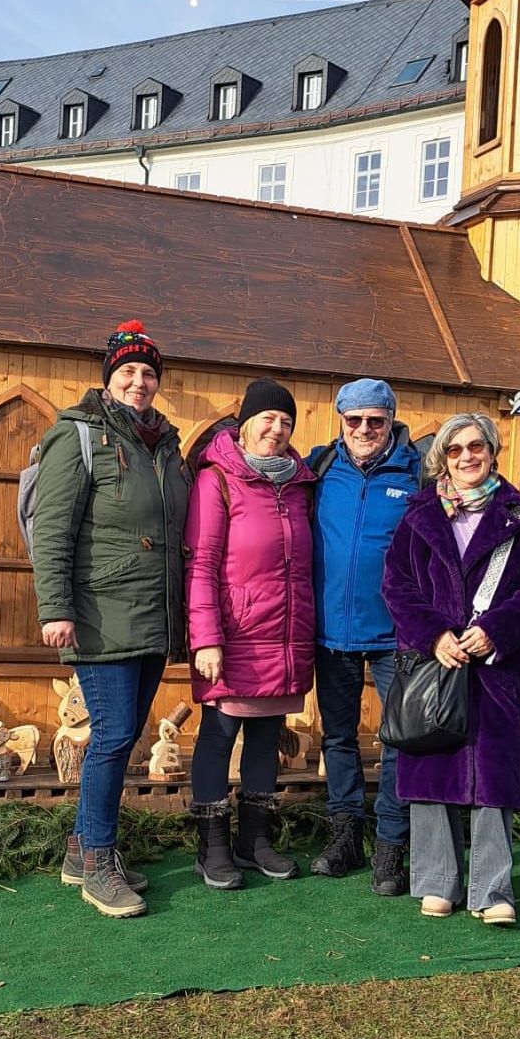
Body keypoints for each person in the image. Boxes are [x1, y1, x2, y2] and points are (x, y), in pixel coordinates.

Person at [32, 320, 190, 920]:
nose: (139, 381)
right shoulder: (76, 436)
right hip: (99, 616)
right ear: (109, 377)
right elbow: (52, 530)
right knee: (115, 736)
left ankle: (79, 851)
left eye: (149, 373)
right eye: (128, 371)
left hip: (151, 616)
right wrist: (56, 609)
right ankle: (99, 860)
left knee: (120, 734)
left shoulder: (162, 445)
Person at [382, 413, 520, 922]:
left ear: (492, 451)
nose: (466, 457)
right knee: (431, 766)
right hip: (433, 663)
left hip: (495, 668)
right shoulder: (419, 517)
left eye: (475, 446)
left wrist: (497, 630)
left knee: (492, 779)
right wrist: (434, 635)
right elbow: (397, 586)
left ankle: (492, 891)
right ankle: (437, 882)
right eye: (455, 449)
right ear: (443, 458)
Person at [186, 379, 316, 889]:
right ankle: (212, 846)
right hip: (233, 636)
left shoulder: (300, 483)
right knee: (218, 738)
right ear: (245, 425)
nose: (277, 428)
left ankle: (255, 840)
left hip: (285, 637)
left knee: (266, 739)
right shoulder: (217, 480)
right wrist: (206, 638)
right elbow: (202, 565)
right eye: (268, 419)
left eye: (286, 421)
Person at [308, 378, 420, 894]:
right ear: (341, 422)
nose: (365, 429)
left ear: (391, 419)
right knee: (338, 738)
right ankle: (346, 835)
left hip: (396, 634)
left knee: (398, 741)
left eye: (375, 420)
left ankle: (391, 847)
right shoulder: (320, 467)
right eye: (354, 420)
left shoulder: (418, 474)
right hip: (332, 632)